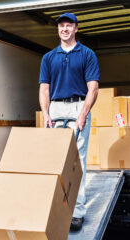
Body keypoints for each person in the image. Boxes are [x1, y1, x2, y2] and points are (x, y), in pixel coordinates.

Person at [39, 13, 99, 231]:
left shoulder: (87, 54)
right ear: (58, 30)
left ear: (76, 29)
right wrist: (45, 113)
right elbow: (44, 88)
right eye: (61, 26)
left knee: (77, 161)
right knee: (54, 161)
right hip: (55, 109)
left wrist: (83, 113)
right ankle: (54, 208)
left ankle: (77, 212)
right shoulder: (49, 57)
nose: (64, 29)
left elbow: (93, 87)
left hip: (77, 107)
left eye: (68, 26)